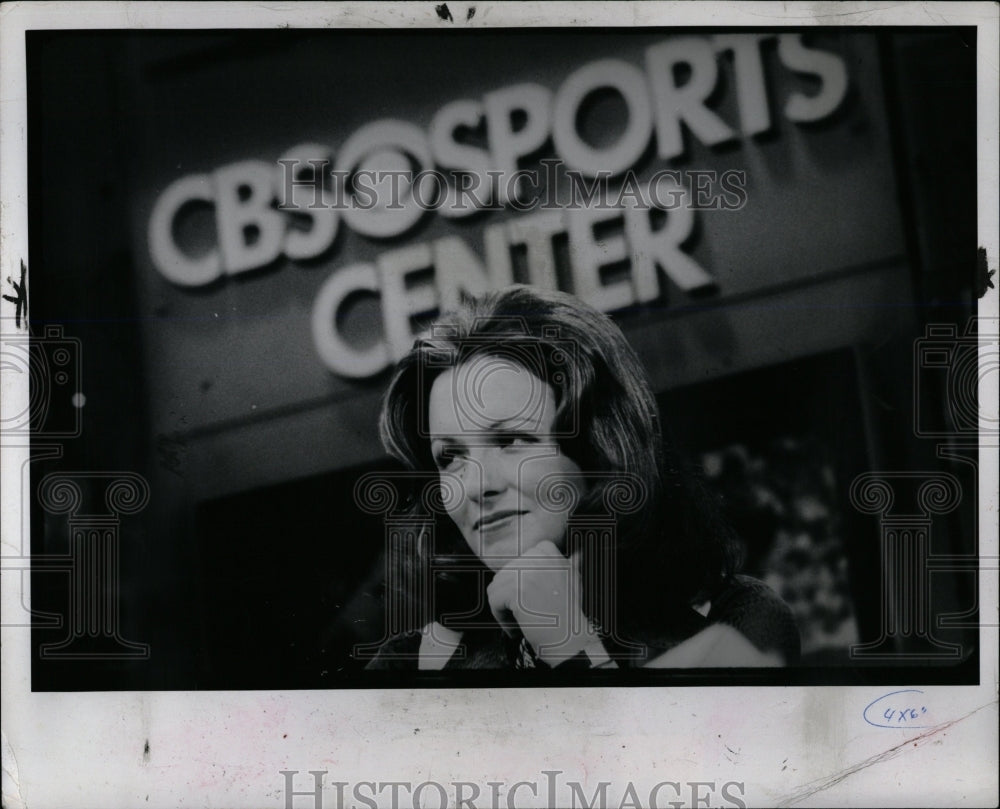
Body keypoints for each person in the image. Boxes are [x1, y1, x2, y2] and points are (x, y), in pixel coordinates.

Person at [363, 285, 800, 670]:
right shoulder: (415, 662)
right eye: (451, 458)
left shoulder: (734, 619)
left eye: (512, 440)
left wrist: (569, 645)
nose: (478, 486)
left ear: (600, 446)